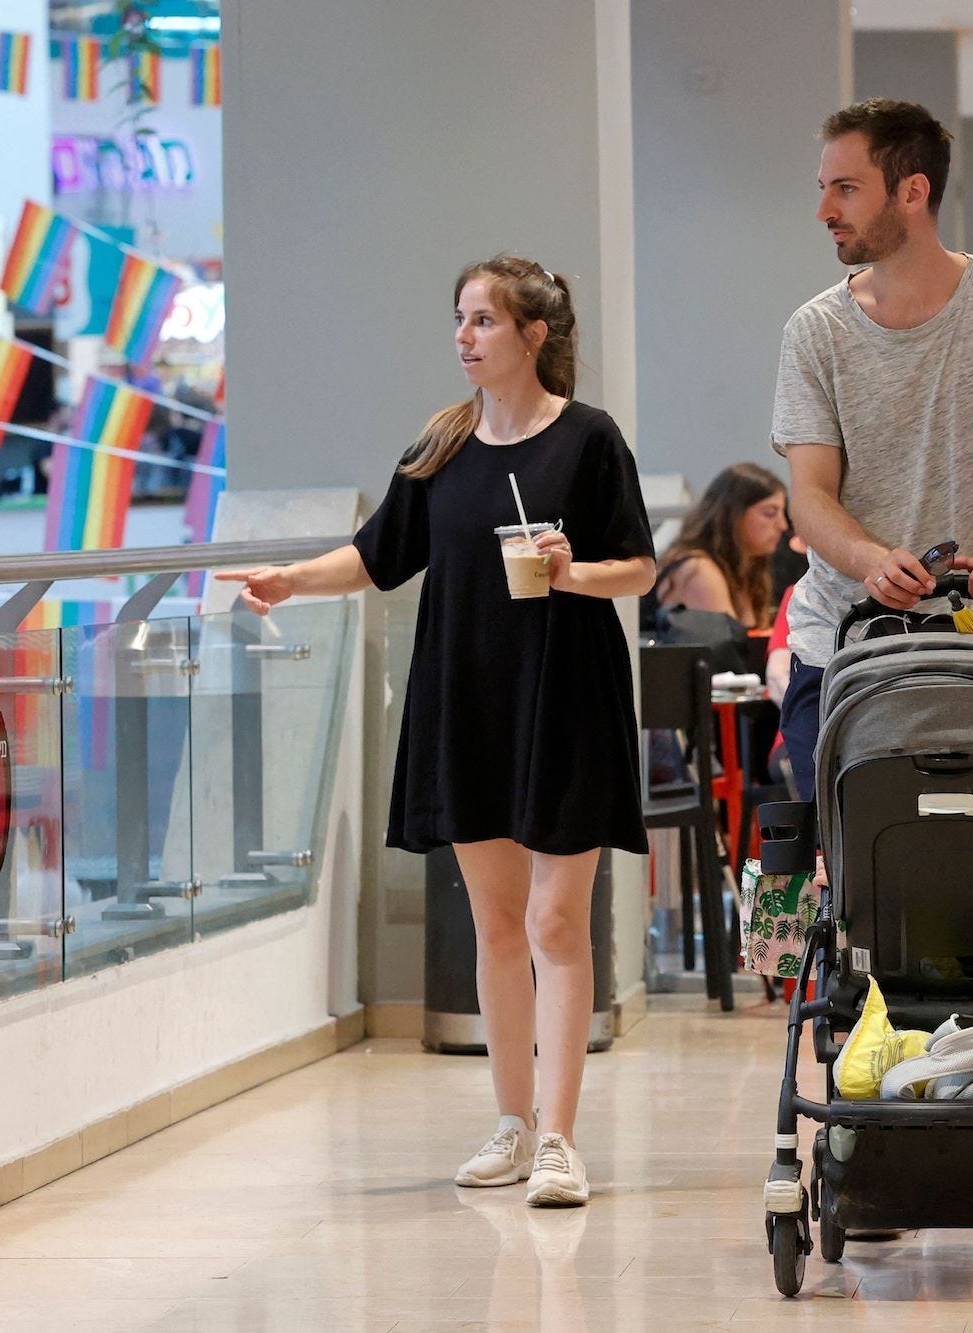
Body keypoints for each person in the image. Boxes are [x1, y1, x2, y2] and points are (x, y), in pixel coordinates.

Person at [218, 254, 655, 1205]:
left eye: (484, 321)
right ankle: (512, 1122)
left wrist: (573, 570)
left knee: (553, 919)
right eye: (459, 320)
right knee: (495, 922)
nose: (464, 337)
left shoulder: (588, 440)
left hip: (564, 698)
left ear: (532, 336)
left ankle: (562, 1139)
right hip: (466, 697)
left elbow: (639, 568)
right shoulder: (442, 443)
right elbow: (382, 556)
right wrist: (292, 579)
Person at [772, 97, 973, 801]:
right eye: (823, 188)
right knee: (851, 882)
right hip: (844, 646)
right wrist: (870, 561)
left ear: (913, 191)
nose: (825, 209)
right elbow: (811, 496)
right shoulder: (815, 333)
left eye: (846, 188)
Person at [653, 463, 788, 629]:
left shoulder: (746, 570)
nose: (782, 525)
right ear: (734, 515)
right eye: (770, 513)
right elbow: (727, 650)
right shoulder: (698, 569)